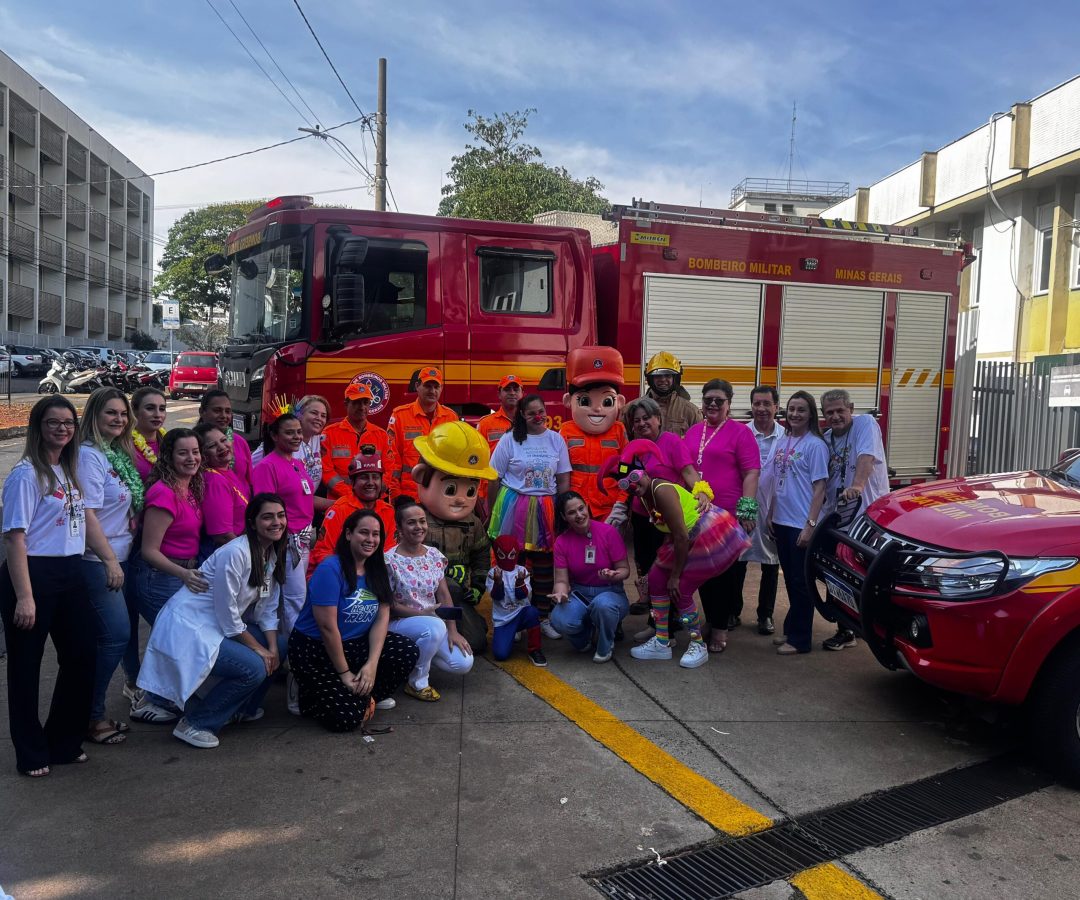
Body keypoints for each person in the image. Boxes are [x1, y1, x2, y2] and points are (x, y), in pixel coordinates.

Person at [137, 494, 290, 749]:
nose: (276, 522)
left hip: (216, 627)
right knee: (253, 666)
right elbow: (228, 615)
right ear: (252, 523)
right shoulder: (236, 553)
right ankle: (196, 723)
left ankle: (241, 709)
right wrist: (259, 649)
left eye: (280, 515)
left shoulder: (271, 554)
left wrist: (272, 649)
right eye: (267, 516)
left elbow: (268, 608)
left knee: (282, 646)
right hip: (191, 629)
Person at [1, 396, 93, 777]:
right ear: (38, 427)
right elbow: (15, 538)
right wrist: (25, 596)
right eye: (53, 422)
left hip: (70, 573)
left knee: (82, 656)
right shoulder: (27, 474)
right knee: (26, 666)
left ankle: (63, 740)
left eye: (68, 422)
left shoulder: (67, 470)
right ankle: (31, 751)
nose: (62, 429)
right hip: (32, 575)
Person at [601, 441, 748, 669]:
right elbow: (673, 532)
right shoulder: (644, 495)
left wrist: (676, 576)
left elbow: (681, 536)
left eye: (634, 476)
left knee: (681, 591)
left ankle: (698, 644)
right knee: (656, 581)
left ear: (644, 471)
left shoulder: (661, 491)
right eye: (624, 483)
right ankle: (661, 641)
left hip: (705, 537)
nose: (631, 485)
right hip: (684, 539)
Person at [290, 509, 419, 729]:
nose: (370, 539)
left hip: (357, 644)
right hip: (317, 649)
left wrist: (371, 664)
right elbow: (327, 627)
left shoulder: (377, 568)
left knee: (407, 651)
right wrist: (344, 674)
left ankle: (365, 697)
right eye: (364, 533)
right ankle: (303, 691)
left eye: (376, 534)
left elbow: (382, 617)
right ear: (349, 534)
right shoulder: (330, 569)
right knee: (346, 720)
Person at [129, 428, 208, 724]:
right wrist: (184, 574)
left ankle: (164, 697)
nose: (191, 458)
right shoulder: (163, 492)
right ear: (168, 456)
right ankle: (151, 700)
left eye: (195, 451)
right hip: (157, 576)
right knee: (175, 639)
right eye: (183, 452)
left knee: (177, 638)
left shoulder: (190, 485)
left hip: (178, 573)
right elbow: (149, 550)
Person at [79, 388, 143, 746]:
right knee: (115, 635)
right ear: (94, 416)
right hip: (97, 562)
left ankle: (89, 710)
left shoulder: (116, 454)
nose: (118, 419)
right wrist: (107, 561)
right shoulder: (90, 456)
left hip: (121, 556)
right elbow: (87, 514)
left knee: (111, 635)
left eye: (122, 414)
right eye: (110, 414)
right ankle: (91, 715)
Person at [684, 380, 760, 653]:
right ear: (701, 403)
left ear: (729, 403)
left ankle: (720, 629)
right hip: (697, 515)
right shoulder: (693, 432)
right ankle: (711, 620)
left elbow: (751, 472)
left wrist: (747, 509)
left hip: (726, 516)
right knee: (703, 571)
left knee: (724, 575)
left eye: (719, 400)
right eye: (708, 400)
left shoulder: (740, 433)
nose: (713, 405)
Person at [622, 396, 710, 626]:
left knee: (664, 573)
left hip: (667, 521)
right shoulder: (635, 448)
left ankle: (668, 625)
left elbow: (689, 472)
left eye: (646, 418)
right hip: (643, 518)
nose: (641, 424)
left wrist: (701, 491)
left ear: (658, 419)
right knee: (648, 572)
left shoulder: (671, 441)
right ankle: (656, 624)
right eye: (636, 420)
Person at [488, 393, 572, 633]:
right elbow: (494, 478)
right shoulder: (509, 440)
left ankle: (542, 617)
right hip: (514, 505)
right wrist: (493, 511)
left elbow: (563, 478)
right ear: (522, 416)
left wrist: (562, 508)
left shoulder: (556, 440)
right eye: (532, 413)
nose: (538, 417)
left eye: (541, 411)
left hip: (547, 507)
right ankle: (515, 617)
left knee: (545, 564)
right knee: (515, 563)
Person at [410, 421, 496, 654]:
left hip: (459, 597)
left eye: (470, 491)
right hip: (423, 600)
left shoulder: (473, 523)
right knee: (449, 589)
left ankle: (459, 626)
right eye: (450, 489)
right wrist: (442, 576)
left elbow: (481, 556)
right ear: (422, 477)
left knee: (478, 645)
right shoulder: (417, 520)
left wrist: (477, 586)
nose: (460, 499)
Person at [819, 388, 890, 651]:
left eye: (840, 410)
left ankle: (870, 625)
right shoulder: (826, 439)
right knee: (840, 573)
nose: (836, 416)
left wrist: (858, 486)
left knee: (867, 575)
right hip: (839, 518)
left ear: (851, 408)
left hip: (867, 517)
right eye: (830, 412)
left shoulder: (865, 424)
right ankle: (846, 627)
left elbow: (866, 458)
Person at [386, 497, 474, 702]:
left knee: (463, 663)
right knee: (434, 626)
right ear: (399, 527)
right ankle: (417, 681)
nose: (419, 527)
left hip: (432, 625)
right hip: (400, 624)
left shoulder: (434, 555)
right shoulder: (388, 560)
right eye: (411, 522)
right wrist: (420, 614)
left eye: (422, 521)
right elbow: (389, 605)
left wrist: (452, 630)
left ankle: (422, 654)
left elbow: (443, 594)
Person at [763, 391, 829, 656]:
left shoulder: (815, 445)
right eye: (791, 409)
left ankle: (801, 639)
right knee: (790, 580)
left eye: (801, 410)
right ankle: (792, 628)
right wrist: (770, 514)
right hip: (781, 520)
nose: (795, 414)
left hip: (800, 523)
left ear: (811, 414)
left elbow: (820, 488)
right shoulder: (784, 440)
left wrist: (810, 524)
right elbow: (777, 481)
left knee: (802, 582)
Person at [251, 413, 315, 640]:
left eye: (298, 431)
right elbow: (265, 509)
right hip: (287, 544)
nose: (297, 436)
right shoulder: (267, 466)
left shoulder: (297, 463)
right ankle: (298, 653)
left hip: (303, 540)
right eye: (289, 432)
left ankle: (286, 647)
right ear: (274, 436)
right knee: (294, 600)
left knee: (291, 598)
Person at [549, 491, 631, 664]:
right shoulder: (562, 542)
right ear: (564, 517)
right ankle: (586, 636)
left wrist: (614, 575)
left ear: (587, 507)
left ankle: (606, 644)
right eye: (572, 513)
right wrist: (561, 593)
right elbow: (561, 580)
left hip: (610, 592)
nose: (579, 515)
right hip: (581, 594)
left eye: (581, 508)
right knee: (558, 619)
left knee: (603, 605)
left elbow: (624, 570)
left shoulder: (608, 532)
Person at [559, 347, 628, 522]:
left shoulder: (619, 431)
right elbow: (558, 472)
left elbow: (627, 469)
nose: (597, 408)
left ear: (619, 402)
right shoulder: (566, 431)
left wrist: (621, 504)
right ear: (568, 400)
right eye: (584, 401)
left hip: (609, 508)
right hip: (576, 508)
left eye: (607, 401)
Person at [309, 450, 396, 574]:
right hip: (339, 574)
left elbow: (390, 552)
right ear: (353, 483)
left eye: (375, 477)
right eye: (364, 477)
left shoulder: (388, 511)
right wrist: (353, 572)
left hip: (373, 574)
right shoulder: (339, 509)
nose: (371, 482)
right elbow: (322, 553)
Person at [743, 386, 783, 636]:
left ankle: (765, 615)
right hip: (745, 505)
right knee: (738, 559)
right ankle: (732, 611)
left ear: (776, 407)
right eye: (757, 404)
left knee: (771, 563)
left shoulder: (787, 436)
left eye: (767, 404)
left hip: (775, 507)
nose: (761, 409)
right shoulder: (741, 433)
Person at [254, 395, 333, 516]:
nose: (319, 418)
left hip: (304, 513)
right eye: (314, 413)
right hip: (284, 515)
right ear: (299, 415)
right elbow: (246, 465)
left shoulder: (317, 439)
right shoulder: (283, 444)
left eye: (323, 415)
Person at [386, 366, 457, 500]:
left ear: (441, 388)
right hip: (409, 496)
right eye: (428, 386)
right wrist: (396, 495)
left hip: (440, 496)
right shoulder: (400, 416)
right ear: (417, 386)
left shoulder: (451, 417)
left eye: (436, 387)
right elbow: (392, 460)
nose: (432, 391)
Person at [321, 383, 393, 501]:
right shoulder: (329, 433)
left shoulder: (381, 435)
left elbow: (389, 469)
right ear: (346, 404)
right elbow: (326, 471)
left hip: (374, 501)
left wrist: (374, 494)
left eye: (365, 402)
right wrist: (350, 496)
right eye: (357, 402)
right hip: (341, 501)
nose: (362, 407)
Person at [484, 535, 546, 666]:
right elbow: (497, 597)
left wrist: (519, 582)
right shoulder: (492, 573)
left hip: (520, 613)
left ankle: (535, 649)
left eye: (511, 555)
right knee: (500, 655)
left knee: (532, 612)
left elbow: (522, 596)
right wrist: (498, 582)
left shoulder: (522, 570)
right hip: (503, 619)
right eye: (502, 555)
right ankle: (511, 633)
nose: (507, 559)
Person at [195, 423, 250, 550]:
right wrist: (251, 554)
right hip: (231, 553)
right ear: (202, 455)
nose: (221, 447)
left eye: (223, 440)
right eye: (212, 446)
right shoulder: (214, 481)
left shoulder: (225, 471)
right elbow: (222, 536)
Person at [476, 374, 524, 512]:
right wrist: (480, 493)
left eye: (516, 389)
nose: (512, 393)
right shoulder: (486, 423)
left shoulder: (529, 422)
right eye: (507, 389)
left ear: (522, 393)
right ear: (499, 394)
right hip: (492, 491)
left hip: (520, 491)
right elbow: (478, 459)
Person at [199, 389, 253, 489]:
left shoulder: (240, 442)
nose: (224, 416)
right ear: (202, 412)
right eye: (217, 410)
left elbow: (250, 481)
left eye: (228, 411)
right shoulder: (194, 444)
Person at [643, 351, 702, 437]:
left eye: (668, 375)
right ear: (650, 379)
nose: (663, 379)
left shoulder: (691, 412)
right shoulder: (633, 409)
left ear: (676, 379)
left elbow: (699, 445)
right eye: (658, 375)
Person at [130, 387, 167, 484]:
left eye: (162, 409)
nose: (158, 414)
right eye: (150, 408)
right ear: (134, 411)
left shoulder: (170, 441)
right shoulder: (124, 444)